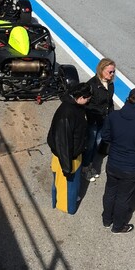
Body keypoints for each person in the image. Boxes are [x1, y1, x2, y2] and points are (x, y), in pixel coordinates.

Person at [101, 87, 135, 234]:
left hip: (112, 163)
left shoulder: (113, 116)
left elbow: (105, 136)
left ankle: (106, 219)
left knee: (110, 191)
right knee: (123, 198)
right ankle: (118, 227)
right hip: (130, 167)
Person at [47, 82, 93, 214]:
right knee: (68, 187)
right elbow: (63, 143)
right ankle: (68, 207)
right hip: (67, 159)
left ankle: (62, 201)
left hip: (72, 155)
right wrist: (66, 167)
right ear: (80, 97)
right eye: (87, 99)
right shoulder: (67, 114)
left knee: (65, 185)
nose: (88, 102)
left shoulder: (73, 106)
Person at [82, 58, 116, 182]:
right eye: (110, 72)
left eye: (113, 72)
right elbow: (88, 105)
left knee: (97, 144)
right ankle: (85, 168)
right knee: (90, 145)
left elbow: (109, 101)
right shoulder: (91, 85)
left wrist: (111, 116)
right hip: (93, 121)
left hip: (103, 120)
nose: (112, 75)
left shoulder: (110, 84)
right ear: (101, 70)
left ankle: (90, 164)